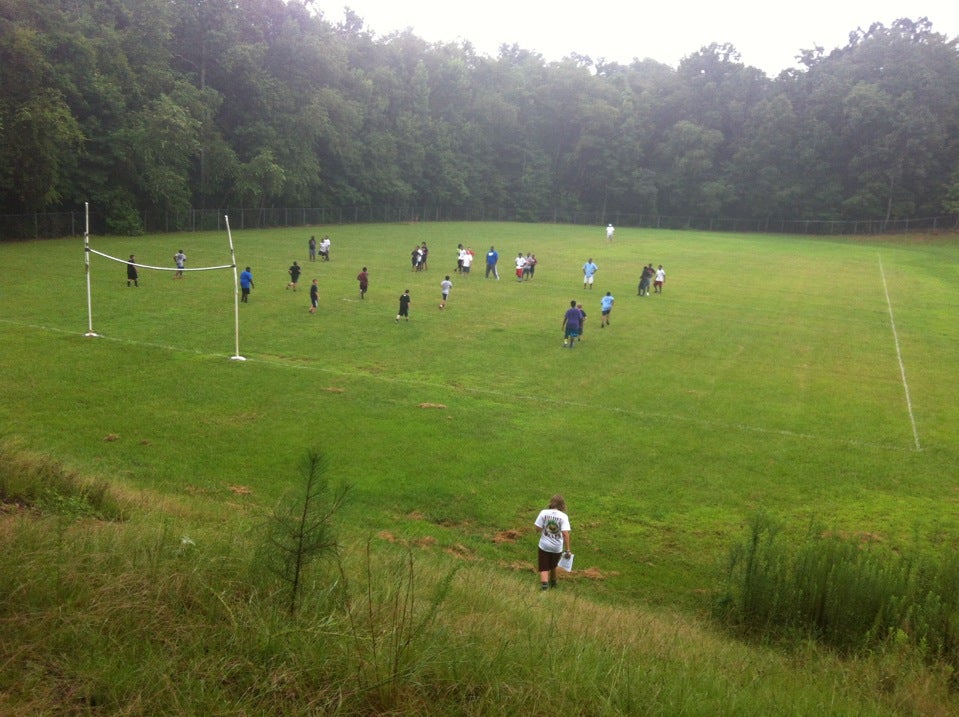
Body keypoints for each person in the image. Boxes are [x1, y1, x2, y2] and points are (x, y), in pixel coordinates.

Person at [534, 494, 571, 591]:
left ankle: (544, 590)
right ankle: (553, 583)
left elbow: (537, 528)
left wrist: (544, 528)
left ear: (551, 503)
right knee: (553, 565)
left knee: (544, 567)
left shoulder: (543, 513)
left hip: (544, 545)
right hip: (557, 547)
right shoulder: (564, 517)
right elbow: (565, 534)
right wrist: (568, 550)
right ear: (562, 505)